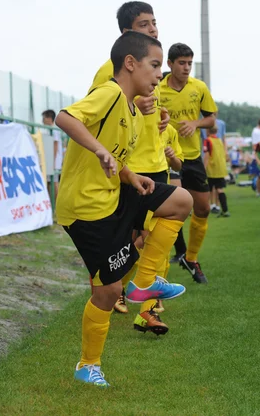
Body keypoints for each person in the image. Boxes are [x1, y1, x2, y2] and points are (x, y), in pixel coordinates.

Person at [56, 31, 192, 387]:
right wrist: (99, 152)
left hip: (115, 193)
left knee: (180, 201)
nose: (159, 74)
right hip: (86, 207)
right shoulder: (110, 92)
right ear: (130, 63)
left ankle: (143, 284)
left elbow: (114, 154)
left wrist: (131, 176)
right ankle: (88, 364)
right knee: (106, 291)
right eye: (155, 65)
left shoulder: (132, 109)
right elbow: (65, 118)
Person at [86, 1, 171, 330]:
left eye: (154, 22)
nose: (152, 28)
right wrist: (134, 102)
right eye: (144, 24)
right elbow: (96, 117)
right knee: (130, 240)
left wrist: (163, 121)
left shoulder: (153, 67)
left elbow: (148, 112)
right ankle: (114, 289)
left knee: (158, 231)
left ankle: (147, 306)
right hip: (127, 169)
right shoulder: (107, 71)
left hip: (156, 163)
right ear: (126, 33)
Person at [160, 43, 218, 284]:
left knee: (202, 208)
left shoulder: (199, 88)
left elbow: (212, 121)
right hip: (167, 156)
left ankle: (190, 258)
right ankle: (168, 261)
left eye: (189, 64)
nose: (186, 68)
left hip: (192, 156)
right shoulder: (157, 89)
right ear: (170, 64)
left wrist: (195, 124)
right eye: (181, 63)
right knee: (174, 208)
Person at [204, 125, 230, 217]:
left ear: (207, 130)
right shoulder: (219, 140)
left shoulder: (207, 140)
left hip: (212, 169)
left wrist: (204, 167)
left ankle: (212, 206)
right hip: (221, 168)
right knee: (220, 189)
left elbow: (207, 156)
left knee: (209, 189)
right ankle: (225, 210)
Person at [41, 109, 64, 197]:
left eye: (44, 118)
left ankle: (57, 203)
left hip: (54, 161)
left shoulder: (54, 130)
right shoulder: (49, 129)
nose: (42, 120)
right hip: (50, 161)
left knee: (54, 182)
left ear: (49, 118)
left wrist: (52, 162)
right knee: (49, 182)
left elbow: (55, 145)